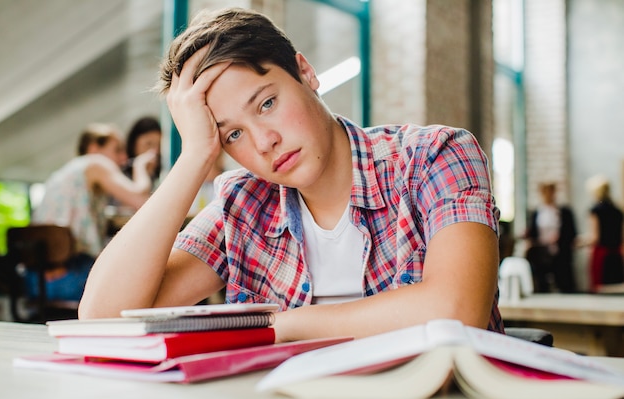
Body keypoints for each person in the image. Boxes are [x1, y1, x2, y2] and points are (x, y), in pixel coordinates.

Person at [79, 7, 503, 342]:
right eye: (233, 135)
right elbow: (102, 316)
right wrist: (193, 157)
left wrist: (281, 326)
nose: (263, 143)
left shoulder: (434, 156)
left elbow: (457, 308)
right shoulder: (245, 202)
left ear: (305, 72)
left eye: (266, 104)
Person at [28, 123, 156, 301]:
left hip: (37, 282)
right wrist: (141, 167)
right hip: (70, 278)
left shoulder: (69, 172)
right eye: (117, 150)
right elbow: (141, 200)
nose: (124, 158)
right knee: (145, 280)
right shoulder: (96, 163)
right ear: (94, 148)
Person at [525, 182, 578, 293]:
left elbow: (571, 232)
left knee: (564, 282)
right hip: (542, 252)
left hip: (560, 251)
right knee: (542, 282)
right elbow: (533, 232)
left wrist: (559, 237)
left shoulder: (564, 211)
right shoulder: (537, 212)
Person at [585, 175, 624, 292]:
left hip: (602, 254)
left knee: (600, 289)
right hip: (616, 254)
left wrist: (581, 242)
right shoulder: (618, 210)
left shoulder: (596, 210)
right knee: (615, 288)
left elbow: (595, 237)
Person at [123, 116, 162, 183]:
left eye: (159, 145)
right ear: (133, 145)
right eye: (149, 144)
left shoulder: (163, 173)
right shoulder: (121, 176)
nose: (155, 151)